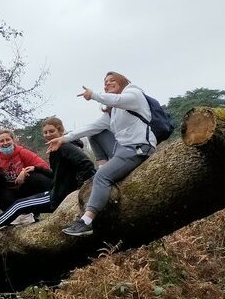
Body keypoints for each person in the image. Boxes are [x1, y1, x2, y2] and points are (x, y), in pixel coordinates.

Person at [51, 72, 157, 237]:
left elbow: (116, 100)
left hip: (138, 147)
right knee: (95, 133)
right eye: (105, 82)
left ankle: (86, 222)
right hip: (122, 149)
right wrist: (64, 139)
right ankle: (103, 165)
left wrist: (93, 95)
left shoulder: (134, 94)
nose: (107, 84)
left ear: (122, 82)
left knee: (102, 177)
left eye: (112, 80)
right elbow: (91, 127)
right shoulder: (113, 112)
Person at [0, 117, 96, 237]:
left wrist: (78, 190)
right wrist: (36, 168)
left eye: (51, 131)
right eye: (45, 132)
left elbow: (87, 165)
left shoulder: (65, 146)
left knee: (19, 205)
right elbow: (55, 174)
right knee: (18, 204)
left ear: (61, 131)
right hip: (53, 191)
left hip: (59, 195)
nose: (48, 135)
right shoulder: (56, 149)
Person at [0, 128, 53, 228]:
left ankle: (34, 211)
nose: (5, 143)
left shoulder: (22, 152)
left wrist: (24, 171)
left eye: (8, 140)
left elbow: (43, 166)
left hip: (26, 188)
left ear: (13, 141)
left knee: (36, 177)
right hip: (11, 192)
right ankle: (15, 216)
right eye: (2, 141)